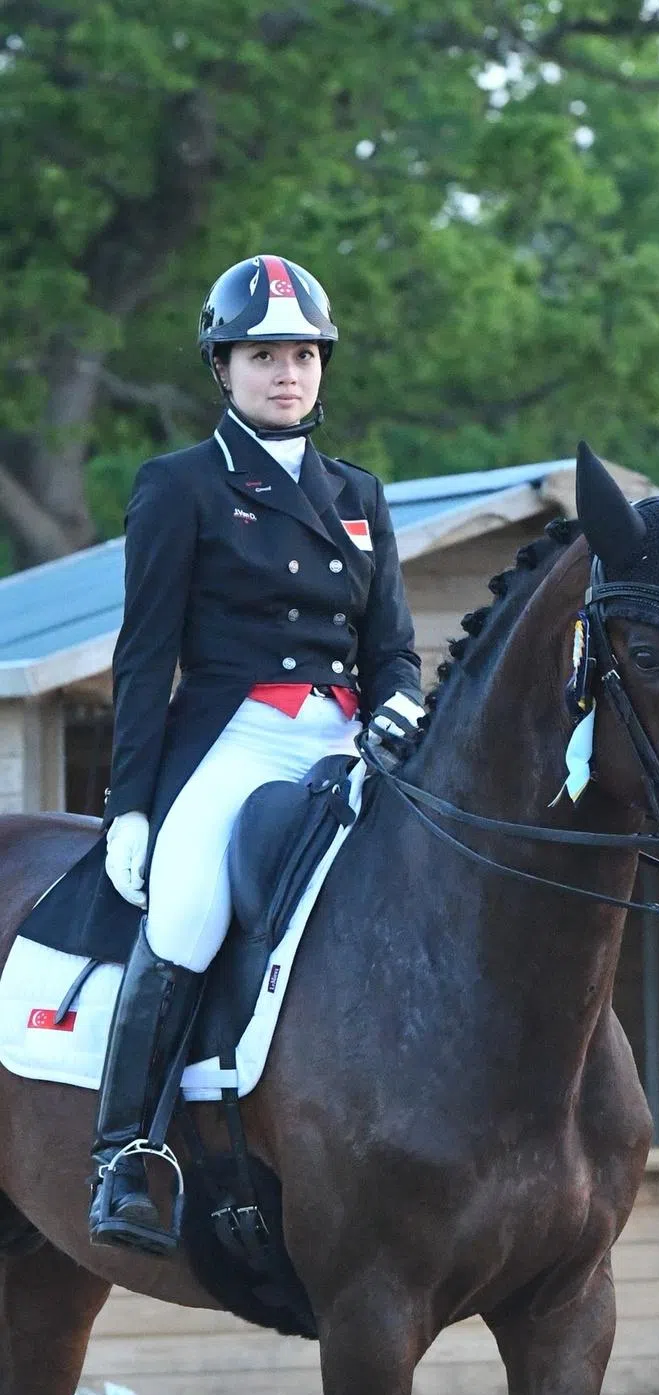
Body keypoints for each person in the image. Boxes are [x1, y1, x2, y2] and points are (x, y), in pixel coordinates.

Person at [87, 254, 423, 1255]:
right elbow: (145, 660)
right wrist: (131, 806)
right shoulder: (179, 487)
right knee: (186, 912)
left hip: (342, 736)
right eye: (265, 355)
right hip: (234, 741)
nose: (288, 374)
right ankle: (126, 1157)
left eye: (304, 356)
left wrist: (400, 706)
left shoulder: (357, 494)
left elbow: (391, 644)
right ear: (223, 367)